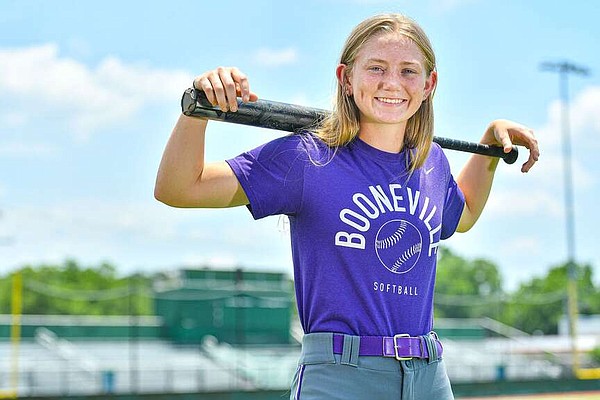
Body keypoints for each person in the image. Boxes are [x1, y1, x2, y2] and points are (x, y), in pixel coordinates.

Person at [154, 13, 539, 400]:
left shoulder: (432, 163)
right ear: (347, 79)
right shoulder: (307, 158)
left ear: (428, 85)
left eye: (408, 70)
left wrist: (490, 145)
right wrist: (196, 112)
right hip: (341, 377)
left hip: (429, 377)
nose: (392, 83)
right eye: (376, 68)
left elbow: (465, 213)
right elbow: (180, 188)